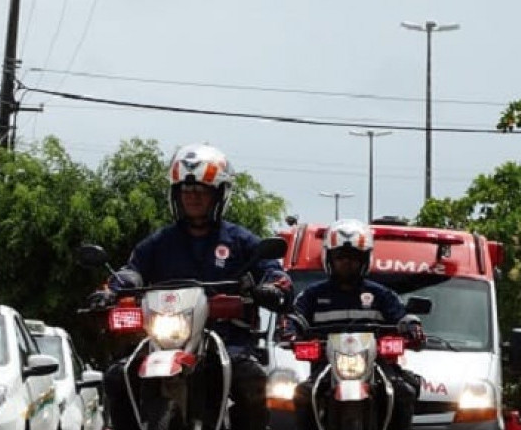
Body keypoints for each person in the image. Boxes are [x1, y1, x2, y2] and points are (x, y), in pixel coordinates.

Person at [95, 143, 293, 430]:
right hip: (164, 340)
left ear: (219, 194)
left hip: (226, 340)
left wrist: (274, 287)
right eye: (187, 191)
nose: (193, 198)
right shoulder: (160, 242)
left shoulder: (240, 241)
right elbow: (132, 272)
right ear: (175, 194)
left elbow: (274, 274)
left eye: (202, 191)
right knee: (117, 376)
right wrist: (111, 290)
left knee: (251, 378)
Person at [292, 218, 424, 430]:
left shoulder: (381, 294)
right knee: (303, 394)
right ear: (329, 258)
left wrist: (411, 328)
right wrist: (288, 331)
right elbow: (294, 318)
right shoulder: (312, 295)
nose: (347, 262)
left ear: (365, 259)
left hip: (377, 363)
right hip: (327, 364)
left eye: (354, 257)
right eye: (340, 257)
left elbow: (401, 316)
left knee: (404, 392)